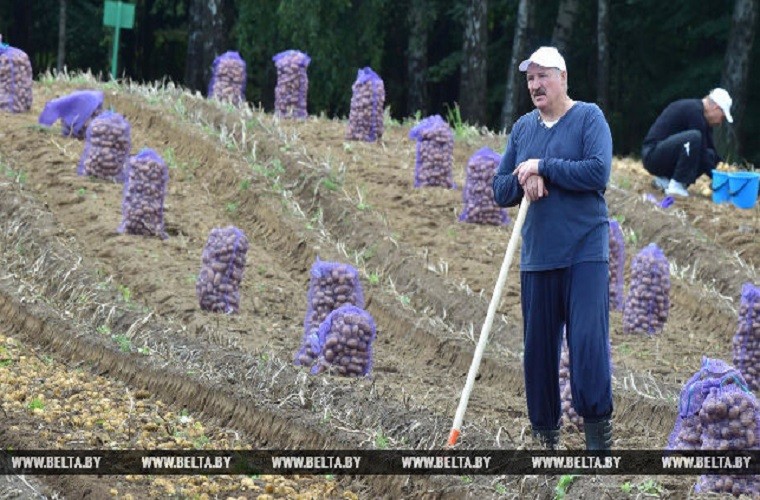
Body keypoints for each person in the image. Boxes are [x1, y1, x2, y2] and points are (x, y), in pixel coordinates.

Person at [492, 46, 614, 451]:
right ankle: (546, 439)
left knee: (587, 342)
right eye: (529, 78)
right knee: (538, 351)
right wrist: (524, 174)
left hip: (585, 251)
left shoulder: (588, 117)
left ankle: (598, 439)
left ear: (562, 77)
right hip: (539, 257)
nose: (535, 84)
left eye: (543, 76)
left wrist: (544, 166)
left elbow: (598, 171)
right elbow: (499, 189)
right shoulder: (523, 129)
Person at [641, 88, 732, 197]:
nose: (720, 122)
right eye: (722, 117)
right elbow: (702, 154)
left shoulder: (702, 118)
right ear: (716, 108)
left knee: (709, 153)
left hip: (664, 155)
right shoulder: (694, 112)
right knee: (694, 138)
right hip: (652, 155)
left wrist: (726, 172)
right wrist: (717, 178)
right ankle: (676, 186)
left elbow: (710, 152)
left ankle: (665, 181)